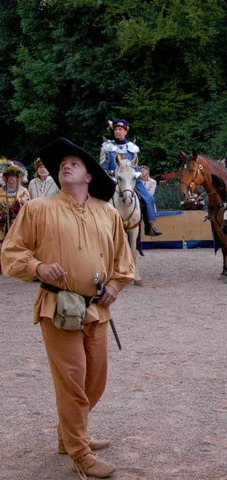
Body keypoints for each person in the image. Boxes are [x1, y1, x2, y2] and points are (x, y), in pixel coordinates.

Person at [1, 138, 135, 478]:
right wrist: (38, 268)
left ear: (89, 176)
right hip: (57, 307)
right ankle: (79, 451)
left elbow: (123, 260)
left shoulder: (107, 212)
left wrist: (116, 285)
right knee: (73, 378)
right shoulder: (38, 209)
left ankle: (68, 434)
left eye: (74, 163)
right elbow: (11, 254)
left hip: (97, 308)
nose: (66, 165)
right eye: (63, 164)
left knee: (96, 378)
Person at [100, 119, 162, 236]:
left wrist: (136, 174)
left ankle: (149, 225)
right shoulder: (107, 147)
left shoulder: (132, 147)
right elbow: (103, 166)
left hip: (131, 180)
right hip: (113, 179)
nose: (117, 132)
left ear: (126, 132)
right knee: (98, 199)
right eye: (116, 129)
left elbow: (136, 166)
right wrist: (112, 173)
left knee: (148, 198)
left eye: (120, 129)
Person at [1, 164, 31, 255]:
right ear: (5, 178)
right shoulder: (0, 191)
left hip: (18, 223)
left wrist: (19, 202)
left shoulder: (23, 191)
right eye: (9, 175)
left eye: (13, 175)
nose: (11, 178)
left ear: (18, 178)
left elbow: (28, 207)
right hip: (2, 225)